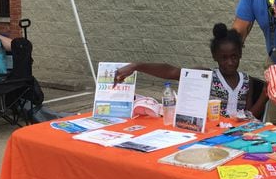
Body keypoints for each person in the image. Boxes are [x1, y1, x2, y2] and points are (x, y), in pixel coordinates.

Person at [114, 23, 267, 119]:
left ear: (240, 54)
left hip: (239, 136)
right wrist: (136, 66)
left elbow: (251, 115)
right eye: (224, 58)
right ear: (215, 57)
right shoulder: (207, 76)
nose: (230, 62)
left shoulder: (247, 81)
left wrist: (265, 94)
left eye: (234, 56)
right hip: (212, 134)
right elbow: (172, 72)